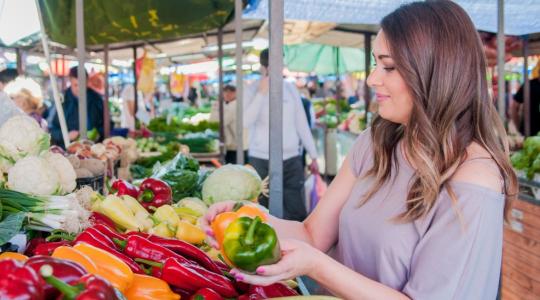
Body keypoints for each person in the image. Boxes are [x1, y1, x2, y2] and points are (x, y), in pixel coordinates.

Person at [202, 1, 517, 299]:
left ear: (438, 73)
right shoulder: (376, 143)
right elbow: (312, 234)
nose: (372, 79)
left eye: (389, 67)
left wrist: (316, 266)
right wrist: (245, 215)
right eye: (375, 63)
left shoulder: (474, 179)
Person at [242, 49, 319, 222]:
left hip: (291, 159)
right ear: (263, 67)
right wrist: (262, 93)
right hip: (260, 159)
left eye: (280, 64)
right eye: (272, 65)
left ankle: (295, 246)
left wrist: (313, 155)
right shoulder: (252, 89)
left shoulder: (290, 88)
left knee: (296, 209)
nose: (278, 68)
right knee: (262, 212)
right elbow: (245, 122)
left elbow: (301, 124)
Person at [50, 66, 106, 147]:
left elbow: (107, 124)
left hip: (93, 149)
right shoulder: (61, 100)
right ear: (70, 81)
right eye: (76, 85)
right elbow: (51, 130)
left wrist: (99, 133)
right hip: (67, 150)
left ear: (87, 82)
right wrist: (66, 135)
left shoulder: (97, 99)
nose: (79, 89)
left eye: (82, 85)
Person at [210, 85, 248, 164]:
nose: (227, 94)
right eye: (225, 91)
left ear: (237, 93)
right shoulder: (230, 105)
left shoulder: (234, 106)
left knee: (234, 171)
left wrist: (215, 107)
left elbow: (217, 122)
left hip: (236, 146)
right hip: (236, 145)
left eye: (231, 92)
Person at [510, 62, 540, 136]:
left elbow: (514, 106)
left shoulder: (528, 85)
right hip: (529, 131)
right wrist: (517, 126)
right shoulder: (528, 85)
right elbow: (514, 106)